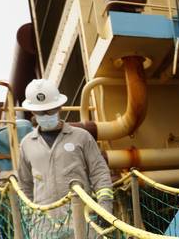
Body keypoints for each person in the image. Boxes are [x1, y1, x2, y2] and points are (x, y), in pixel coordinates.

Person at [15, 79, 115, 230]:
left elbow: (99, 172)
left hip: (83, 222)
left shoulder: (81, 137)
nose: (46, 115)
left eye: (50, 110)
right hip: (44, 227)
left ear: (59, 107)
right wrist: (29, 218)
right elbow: (25, 184)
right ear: (32, 112)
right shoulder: (26, 144)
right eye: (40, 112)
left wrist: (105, 207)